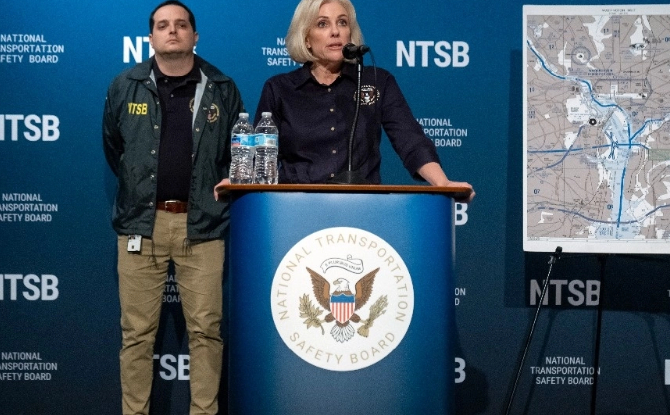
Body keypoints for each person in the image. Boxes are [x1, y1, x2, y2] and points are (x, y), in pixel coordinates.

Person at [102, 1, 243, 413]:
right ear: (151, 38)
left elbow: (237, 154)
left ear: (195, 36)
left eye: (181, 25)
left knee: (206, 333)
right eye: (163, 25)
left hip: (202, 226)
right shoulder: (124, 85)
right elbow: (115, 149)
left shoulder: (222, 87)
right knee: (136, 335)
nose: (173, 31)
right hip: (140, 226)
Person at [253, 0, 475, 200]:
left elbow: (409, 139)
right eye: (322, 24)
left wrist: (442, 182)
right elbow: (259, 157)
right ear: (306, 39)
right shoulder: (280, 89)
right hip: (295, 207)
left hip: (364, 207)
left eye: (342, 22)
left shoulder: (377, 81)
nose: (335, 32)